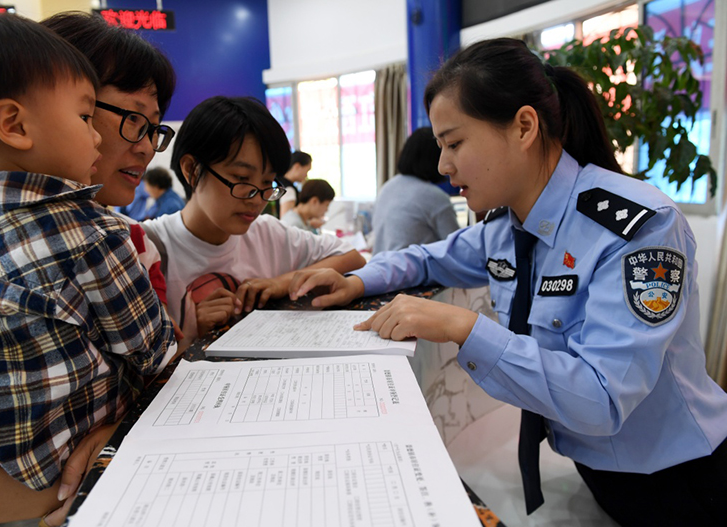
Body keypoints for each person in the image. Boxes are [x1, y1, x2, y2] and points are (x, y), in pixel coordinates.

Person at [289, 38, 727, 526]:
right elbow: (427, 260)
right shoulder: (508, 228)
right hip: (600, 468)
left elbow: (603, 400)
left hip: (679, 478)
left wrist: (465, 327)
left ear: (523, 126)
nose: (442, 166)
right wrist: (356, 281)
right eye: (440, 147)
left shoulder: (635, 229)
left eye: (454, 143)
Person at [0, 10, 179, 525]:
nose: (147, 144)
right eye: (126, 118)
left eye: (155, 127)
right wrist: (92, 467)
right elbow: (156, 358)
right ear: (18, 120)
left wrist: (118, 435)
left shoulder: (138, 241)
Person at [141, 96, 366, 340]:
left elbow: (352, 256)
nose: (257, 199)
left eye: (267, 183)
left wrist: (281, 282)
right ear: (192, 170)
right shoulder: (147, 247)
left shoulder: (267, 233)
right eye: (241, 179)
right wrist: (196, 333)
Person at [372, 127, 459, 254]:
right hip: (410, 272)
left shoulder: (387, 187)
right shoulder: (434, 196)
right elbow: (457, 248)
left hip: (380, 268)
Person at [277, 149, 312, 217]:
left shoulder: (281, 183)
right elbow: (286, 220)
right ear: (297, 166)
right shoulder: (289, 189)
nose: (306, 175)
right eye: (307, 171)